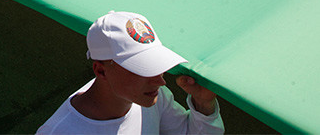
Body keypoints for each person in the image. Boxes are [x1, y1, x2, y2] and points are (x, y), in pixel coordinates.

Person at [37, 11, 224, 134]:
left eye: (157, 65)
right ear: (101, 71)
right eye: (142, 69)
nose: (160, 81)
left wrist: (203, 104)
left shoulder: (153, 97)